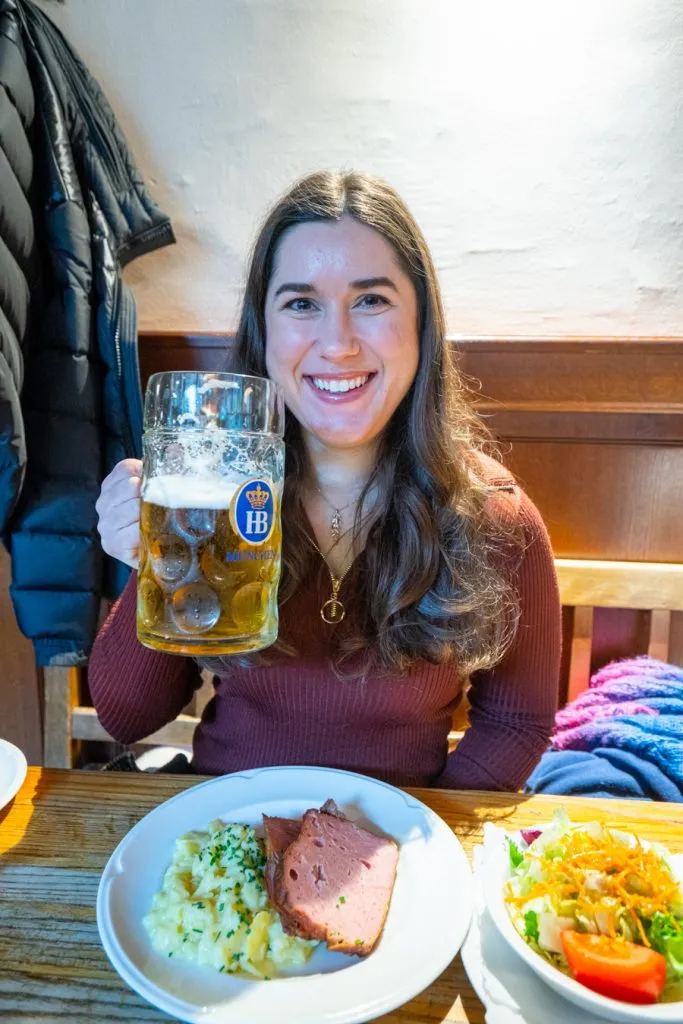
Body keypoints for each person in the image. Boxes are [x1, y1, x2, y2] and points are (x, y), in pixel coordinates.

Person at [90, 170, 561, 790]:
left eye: (371, 300)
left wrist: (417, 834)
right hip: (225, 847)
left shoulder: (495, 516)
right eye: (301, 303)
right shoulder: (206, 497)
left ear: (421, 326)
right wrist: (155, 558)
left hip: (393, 860)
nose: (336, 344)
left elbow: (518, 722)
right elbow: (128, 717)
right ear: (264, 330)